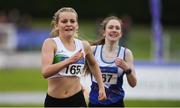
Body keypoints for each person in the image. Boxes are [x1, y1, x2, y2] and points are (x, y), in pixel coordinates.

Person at [41, 7, 106, 107]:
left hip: (77, 99)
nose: (68, 24)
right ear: (56, 25)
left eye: (72, 21)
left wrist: (101, 86)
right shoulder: (51, 43)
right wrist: (69, 61)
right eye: (64, 21)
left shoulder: (83, 45)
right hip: (55, 101)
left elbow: (93, 64)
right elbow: (45, 72)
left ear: (77, 25)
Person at [88, 16, 137, 107]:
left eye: (117, 28)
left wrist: (126, 68)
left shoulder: (126, 53)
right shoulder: (93, 51)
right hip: (95, 103)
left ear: (121, 33)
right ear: (103, 32)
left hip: (116, 103)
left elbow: (133, 83)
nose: (114, 30)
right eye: (110, 27)